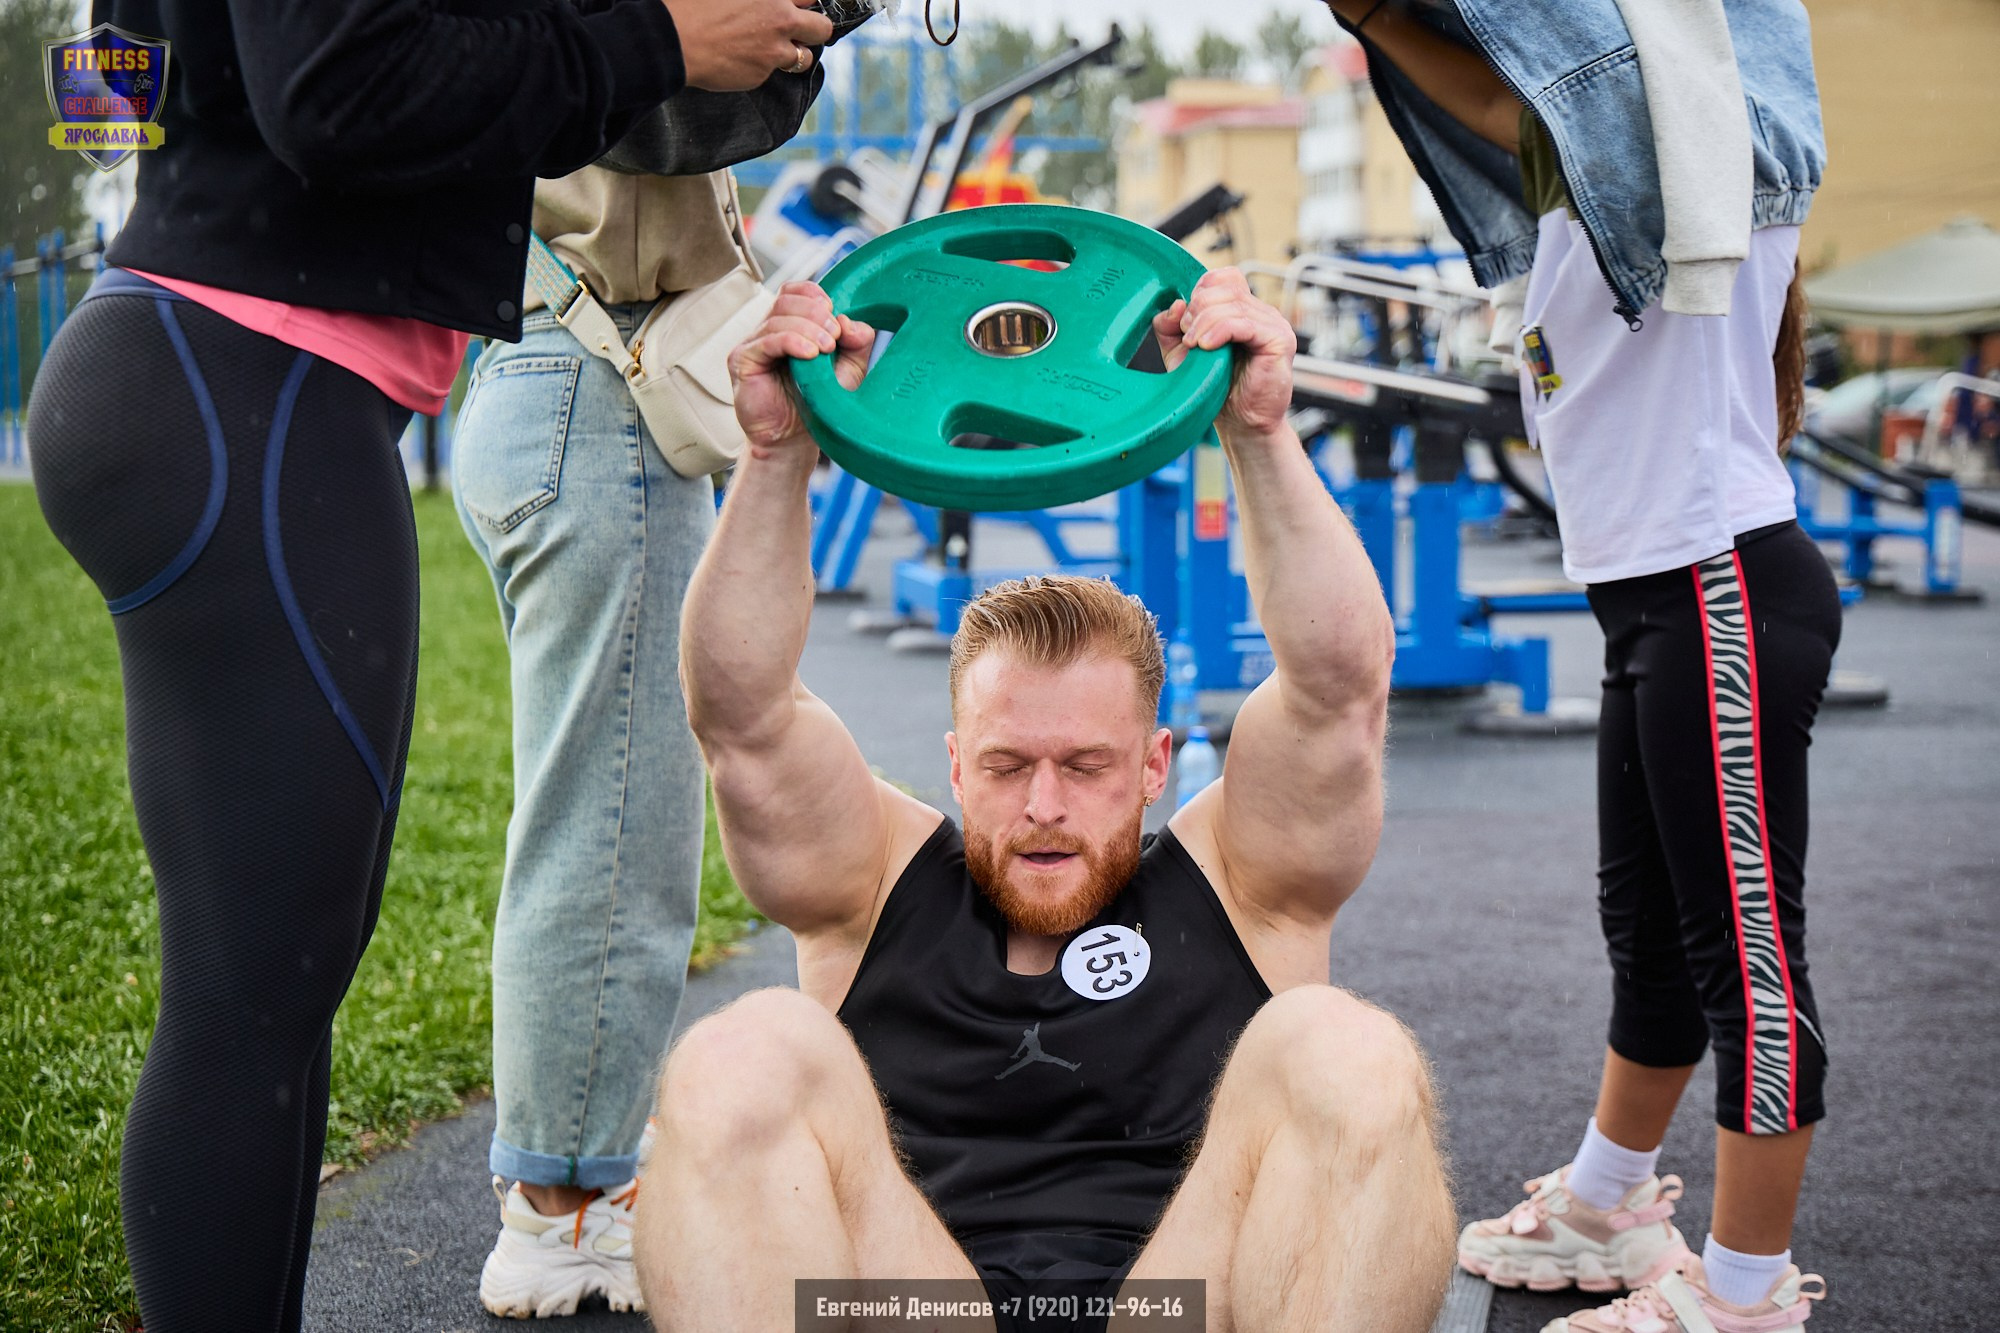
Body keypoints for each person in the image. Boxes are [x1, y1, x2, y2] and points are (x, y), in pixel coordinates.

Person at [22, 2, 836, 1330]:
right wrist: (657, 38)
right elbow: (337, 88)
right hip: (243, 386)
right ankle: (567, 1210)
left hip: (234, 380)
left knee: (263, 992)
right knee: (250, 1002)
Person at [629, 268, 1457, 1331]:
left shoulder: (1248, 885)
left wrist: (1255, 433)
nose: (1047, 803)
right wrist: (779, 454)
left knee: (1345, 1046)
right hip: (920, 1307)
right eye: (1009, 765)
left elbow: (1339, 692)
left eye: (1088, 765)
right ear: (957, 765)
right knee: (741, 1051)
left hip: (1179, 1307)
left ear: (1156, 764)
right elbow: (740, 718)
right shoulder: (869, 882)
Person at [1317, 2, 1836, 1330]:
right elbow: (1504, 106)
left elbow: (1610, 72)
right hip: (1657, 605)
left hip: (1717, 591)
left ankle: (1744, 1294)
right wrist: (1373, 19)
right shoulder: (1575, 205)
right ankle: (1608, 1204)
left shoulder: (1687, 196)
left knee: (1748, 971)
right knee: (1648, 936)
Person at [449, 163, 750, 1317]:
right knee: (617, 821)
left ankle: (567, 1175)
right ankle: (564, 1210)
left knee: (590, 802)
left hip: (549, 371)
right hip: (600, 382)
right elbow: (706, 82)